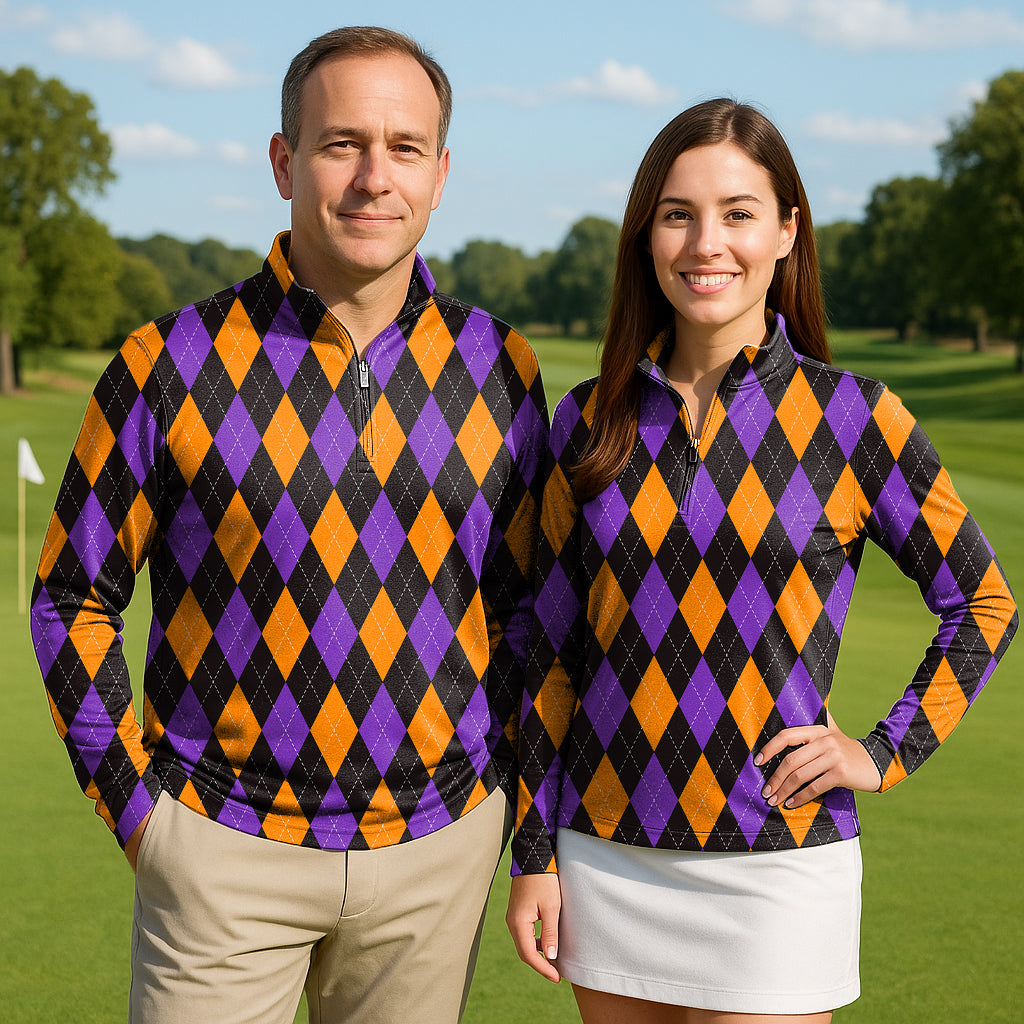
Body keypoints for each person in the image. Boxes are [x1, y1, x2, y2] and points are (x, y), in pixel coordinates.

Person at [31, 25, 548, 1024]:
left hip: (435, 851)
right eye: (339, 143)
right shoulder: (166, 360)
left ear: (440, 176)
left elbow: (530, 615)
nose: (371, 177)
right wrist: (141, 817)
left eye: (403, 149)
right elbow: (72, 597)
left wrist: (502, 812)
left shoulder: (502, 367)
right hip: (218, 846)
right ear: (283, 161)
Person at [506, 98, 1017, 1023]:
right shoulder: (586, 419)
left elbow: (983, 601)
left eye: (740, 213)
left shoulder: (856, 416)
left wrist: (882, 750)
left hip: (776, 857)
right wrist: (534, 851)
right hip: (606, 851)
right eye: (678, 214)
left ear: (787, 231)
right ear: (646, 235)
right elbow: (546, 656)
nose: (708, 243)